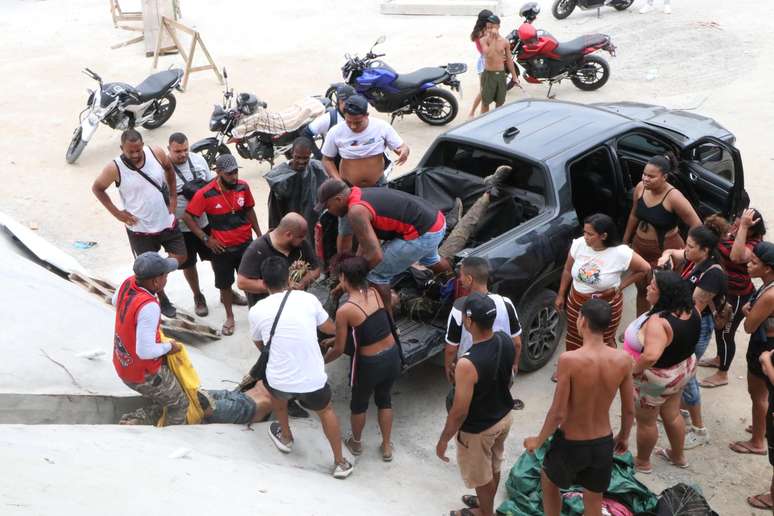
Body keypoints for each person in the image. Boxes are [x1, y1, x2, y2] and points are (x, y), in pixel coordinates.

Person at [524, 299, 633, 516]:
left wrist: (538, 440)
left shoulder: (570, 360)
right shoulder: (623, 359)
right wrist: (623, 436)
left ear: (582, 321)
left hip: (571, 443)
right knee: (593, 499)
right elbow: (629, 409)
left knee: (549, 481)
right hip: (603, 442)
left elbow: (558, 413)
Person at [248, 256, 353, 479]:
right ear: (288, 278)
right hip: (313, 380)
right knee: (326, 411)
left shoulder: (256, 310)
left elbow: (259, 343)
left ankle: (286, 437)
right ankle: (340, 462)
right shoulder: (308, 300)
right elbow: (329, 328)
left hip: (279, 381)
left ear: (264, 283)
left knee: (279, 401)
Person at [316, 178, 452, 314]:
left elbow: (376, 256)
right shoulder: (358, 194)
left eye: (328, 207)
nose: (329, 211)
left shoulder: (356, 212)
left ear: (338, 199)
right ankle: (454, 288)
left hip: (423, 233)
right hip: (436, 221)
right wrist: (351, 268)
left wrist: (353, 277)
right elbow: (364, 245)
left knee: (376, 273)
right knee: (432, 260)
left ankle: (388, 324)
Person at [436, 293, 515, 516]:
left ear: (469, 322)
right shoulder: (504, 339)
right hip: (504, 416)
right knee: (494, 464)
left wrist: (443, 440)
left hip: (480, 429)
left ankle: (485, 512)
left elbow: (459, 412)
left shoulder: (467, 363)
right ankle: (485, 502)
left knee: (481, 476)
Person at [92, 129, 184, 318]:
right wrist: (117, 213)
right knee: (149, 271)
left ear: (143, 145)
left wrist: (173, 198)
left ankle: (157, 274)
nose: (134, 155)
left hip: (165, 221)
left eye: (137, 150)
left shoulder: (156, 153)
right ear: (121, 148)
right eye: (130, 152)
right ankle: (162, 298)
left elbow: (169, 169)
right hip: (140, 229)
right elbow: (98, 188)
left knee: (181, 256)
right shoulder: (114, 168)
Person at [323, 257, 402, 462]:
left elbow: (340, 349)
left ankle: (356, 443)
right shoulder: (375, 292)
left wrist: (322, 361)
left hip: (369, 365)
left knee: (359, 404)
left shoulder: (345, 310)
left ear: (344, 277)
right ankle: (386, 446)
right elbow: (370, 327)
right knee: (384, 399)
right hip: (392, 355)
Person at [658, 224, 727, 450]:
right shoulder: (695, 259)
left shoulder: (713, 274)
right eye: (686, 244)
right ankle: (683, 412)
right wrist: (666, 256)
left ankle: (699, 429)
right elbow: (673, 252)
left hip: (696, 325)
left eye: (690, 246)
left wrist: (674, 329)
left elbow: (694, 308)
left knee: (686, 374)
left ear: (705, 250)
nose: (685, 250)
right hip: (684, 318)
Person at [182, 154, 261, 336]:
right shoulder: (206, 193)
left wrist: (258, 234)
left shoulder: (243, 186)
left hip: (245, 245)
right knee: (225, 285)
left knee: (250, 281)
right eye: (229, 174)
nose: (234, 177)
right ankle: (230, 317)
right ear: (218, 173)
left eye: (235, 172)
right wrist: (206, 239)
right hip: (222, 249)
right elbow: (187, 216)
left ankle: (255, 314)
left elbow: (249, 209)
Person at [321, 95, 411, 254]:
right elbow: (327, 159)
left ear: (366, 116)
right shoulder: (336, 132)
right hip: (349, 189)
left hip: (377, 186)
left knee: (378, 226)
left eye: (358, 122)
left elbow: (401, 146)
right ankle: (343, 264)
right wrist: (338, 182)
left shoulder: (381, 127)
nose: (353, 126)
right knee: (346, 230)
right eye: (349, 122)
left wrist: (404, 151)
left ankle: (370, 260)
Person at [629, 271, 699, 473]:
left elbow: (651, 356)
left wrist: (634, 371)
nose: (648, 288)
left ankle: (642, 462)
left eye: (653, 286)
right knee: (672, 413)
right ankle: (678, 456)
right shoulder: (691, 309)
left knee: (646, 421)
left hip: (658, 379)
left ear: (664, 294)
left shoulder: (658, 322)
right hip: (682, 370)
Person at [555, 214, 650, 354]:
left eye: (590, 234)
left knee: (601, 340)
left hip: (605, 306)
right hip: (576, 302)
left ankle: (600, 369)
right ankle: (572, 365)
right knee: (574, 334)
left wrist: (620, 286)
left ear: (603, 236)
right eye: (584, 232)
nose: (585, 237)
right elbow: (568, 270)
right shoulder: (579, 244)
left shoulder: (621, 253)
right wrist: (561, 294)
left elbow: (645, 269)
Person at [112, 252, 187, 425]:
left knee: (167, 396)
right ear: (156, 282)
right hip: (143, 373)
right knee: (180, 404)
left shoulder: (129, 282)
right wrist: (169, 346)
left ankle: (140, 420)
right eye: (165, 276)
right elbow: (145, 352)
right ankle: (172, 436)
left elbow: (115, 301)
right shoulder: (149, 306)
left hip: (123, 362)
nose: (166, 279)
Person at [623, 153, 701, 315]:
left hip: (665, 252)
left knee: (664, 293)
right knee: (642, 290)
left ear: (664, 177)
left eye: (651, 176)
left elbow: (696, 225)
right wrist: (625, 241)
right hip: (640, 248)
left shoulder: (674, 197)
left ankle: (663, 329)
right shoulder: (640, 188)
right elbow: (634, 214)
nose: (645, 179)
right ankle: (640, 326)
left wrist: (687, 251)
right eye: (644, 174)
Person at [699, 209, 766, 388]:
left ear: (752, 230)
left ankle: (723, 374)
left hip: (737, 296)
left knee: (726, 333)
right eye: (735, 224)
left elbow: (736, 256)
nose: (734, 228)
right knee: (719, 330)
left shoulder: (754, 244)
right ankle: (719, 358)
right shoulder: (733, 232)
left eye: (741, 225)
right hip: (723, 291)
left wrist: (743, 227)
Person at [731, 242, 774, 476]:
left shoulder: (769, 294)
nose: (749, 264)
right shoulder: (767, 285)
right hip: (768, 342)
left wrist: (749, 312)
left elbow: (748, 327)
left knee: (758, 394)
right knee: (763, 394)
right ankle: (762, 427)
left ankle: (758, 441)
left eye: (755, 262)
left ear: (767, 268)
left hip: (764, 345)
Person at [444, 256, 522, 385]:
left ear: (469, 279)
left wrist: (448, 368)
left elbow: (451, 349)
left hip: (471, 371)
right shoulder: (506, 303)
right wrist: (514, 364)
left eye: (461, 275)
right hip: (501, 369)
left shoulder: (459, 308)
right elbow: (517, 343)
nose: (460, 279)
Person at [166, 132, 215, 317]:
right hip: (181, 228)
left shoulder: (199, 160)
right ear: (169, 149)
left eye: (185, 149)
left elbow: (211, 185)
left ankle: (225, 290)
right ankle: (197, 296)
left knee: (217, 258)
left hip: (205, 221)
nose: (182, 154)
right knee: (188, 264)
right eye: (177, 151)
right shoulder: (164, 168)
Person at [237, 212, 320, 307]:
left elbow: (316, 270)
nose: (303, 239)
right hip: (267, 309)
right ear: (288, 235)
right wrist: (278, 288)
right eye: (300, 236)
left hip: (294, 306)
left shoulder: (302, 245)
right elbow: (242, 282)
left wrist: (303, 282)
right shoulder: (257, 249)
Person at [264, 137, 329, 240]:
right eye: (298, 157)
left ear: (310, 154)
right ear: (291, 153)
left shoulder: (317, 170)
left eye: (305, 158)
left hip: (311, 224)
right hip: (288, 226)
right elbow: (275, 211)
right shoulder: (279, 177)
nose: (301, 161)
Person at [478, 14, 519, 114]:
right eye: (488, 27)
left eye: (492, 27)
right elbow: (489, 54)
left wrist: (514, 77)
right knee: (485, 103)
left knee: (500, 102)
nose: (490, 29)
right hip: (488, 75)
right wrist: (493, 38)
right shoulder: (483, 40)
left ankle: (496, 121)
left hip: (501, 75)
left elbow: (509, 60)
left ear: (498, 27)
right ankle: (483, 122)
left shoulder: (505, 42)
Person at [304, 84, 357, 153]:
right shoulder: (330, 118)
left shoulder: (359, 116)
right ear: (339, 102)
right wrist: (318, 154)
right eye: (346, 102)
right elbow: (306, 133)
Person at [467, 9, 493, 118]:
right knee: (484, 92)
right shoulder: (483, 33)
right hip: (486, 63)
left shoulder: (478, 32)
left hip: (484, 61)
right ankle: (474, 113)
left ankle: (476, 113)